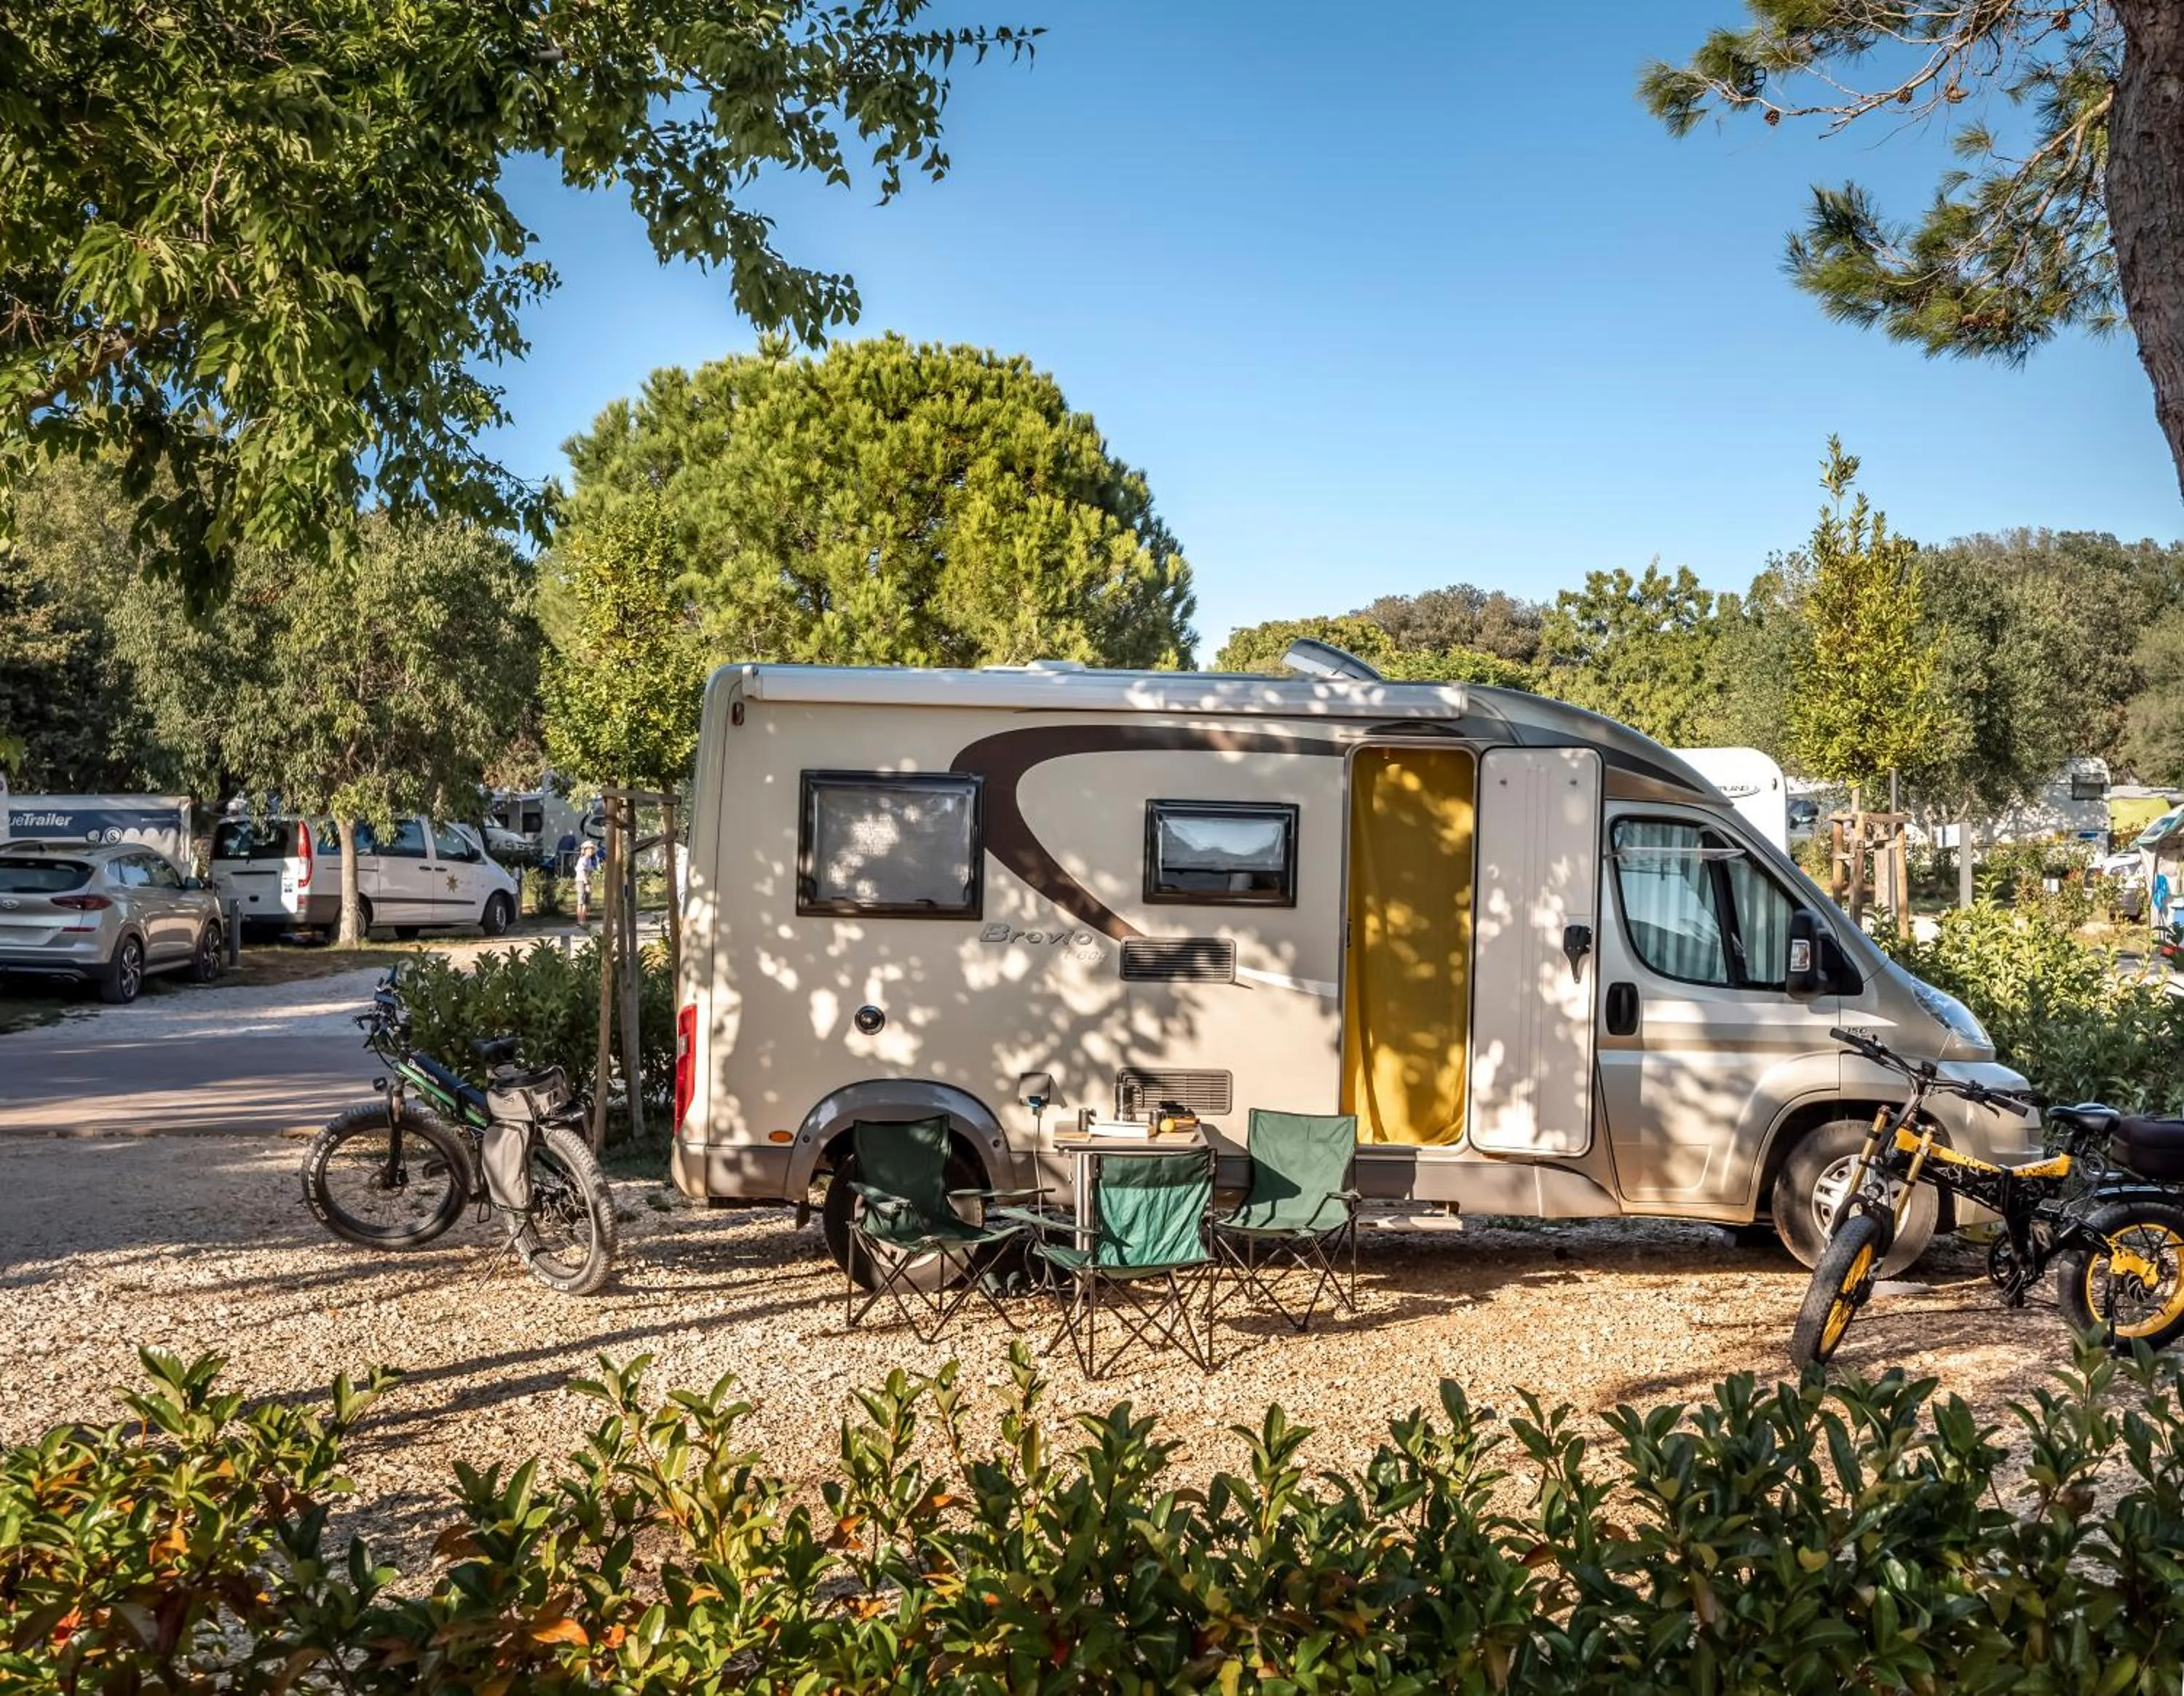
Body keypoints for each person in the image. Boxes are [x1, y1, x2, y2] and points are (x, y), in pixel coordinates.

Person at [574, 839, 598, 926]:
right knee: (581, 901)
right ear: (584, 850)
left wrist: (590, 881)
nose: (591, 851)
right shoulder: (583, 859)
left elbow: (590, 871)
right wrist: (587, 884)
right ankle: (580, 921)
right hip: (581, 881)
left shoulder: (589, 860)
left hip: (586, 880)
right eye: (589, 849)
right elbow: (582, 872)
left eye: (592, 849)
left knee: (586, 902)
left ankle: (583, 920)